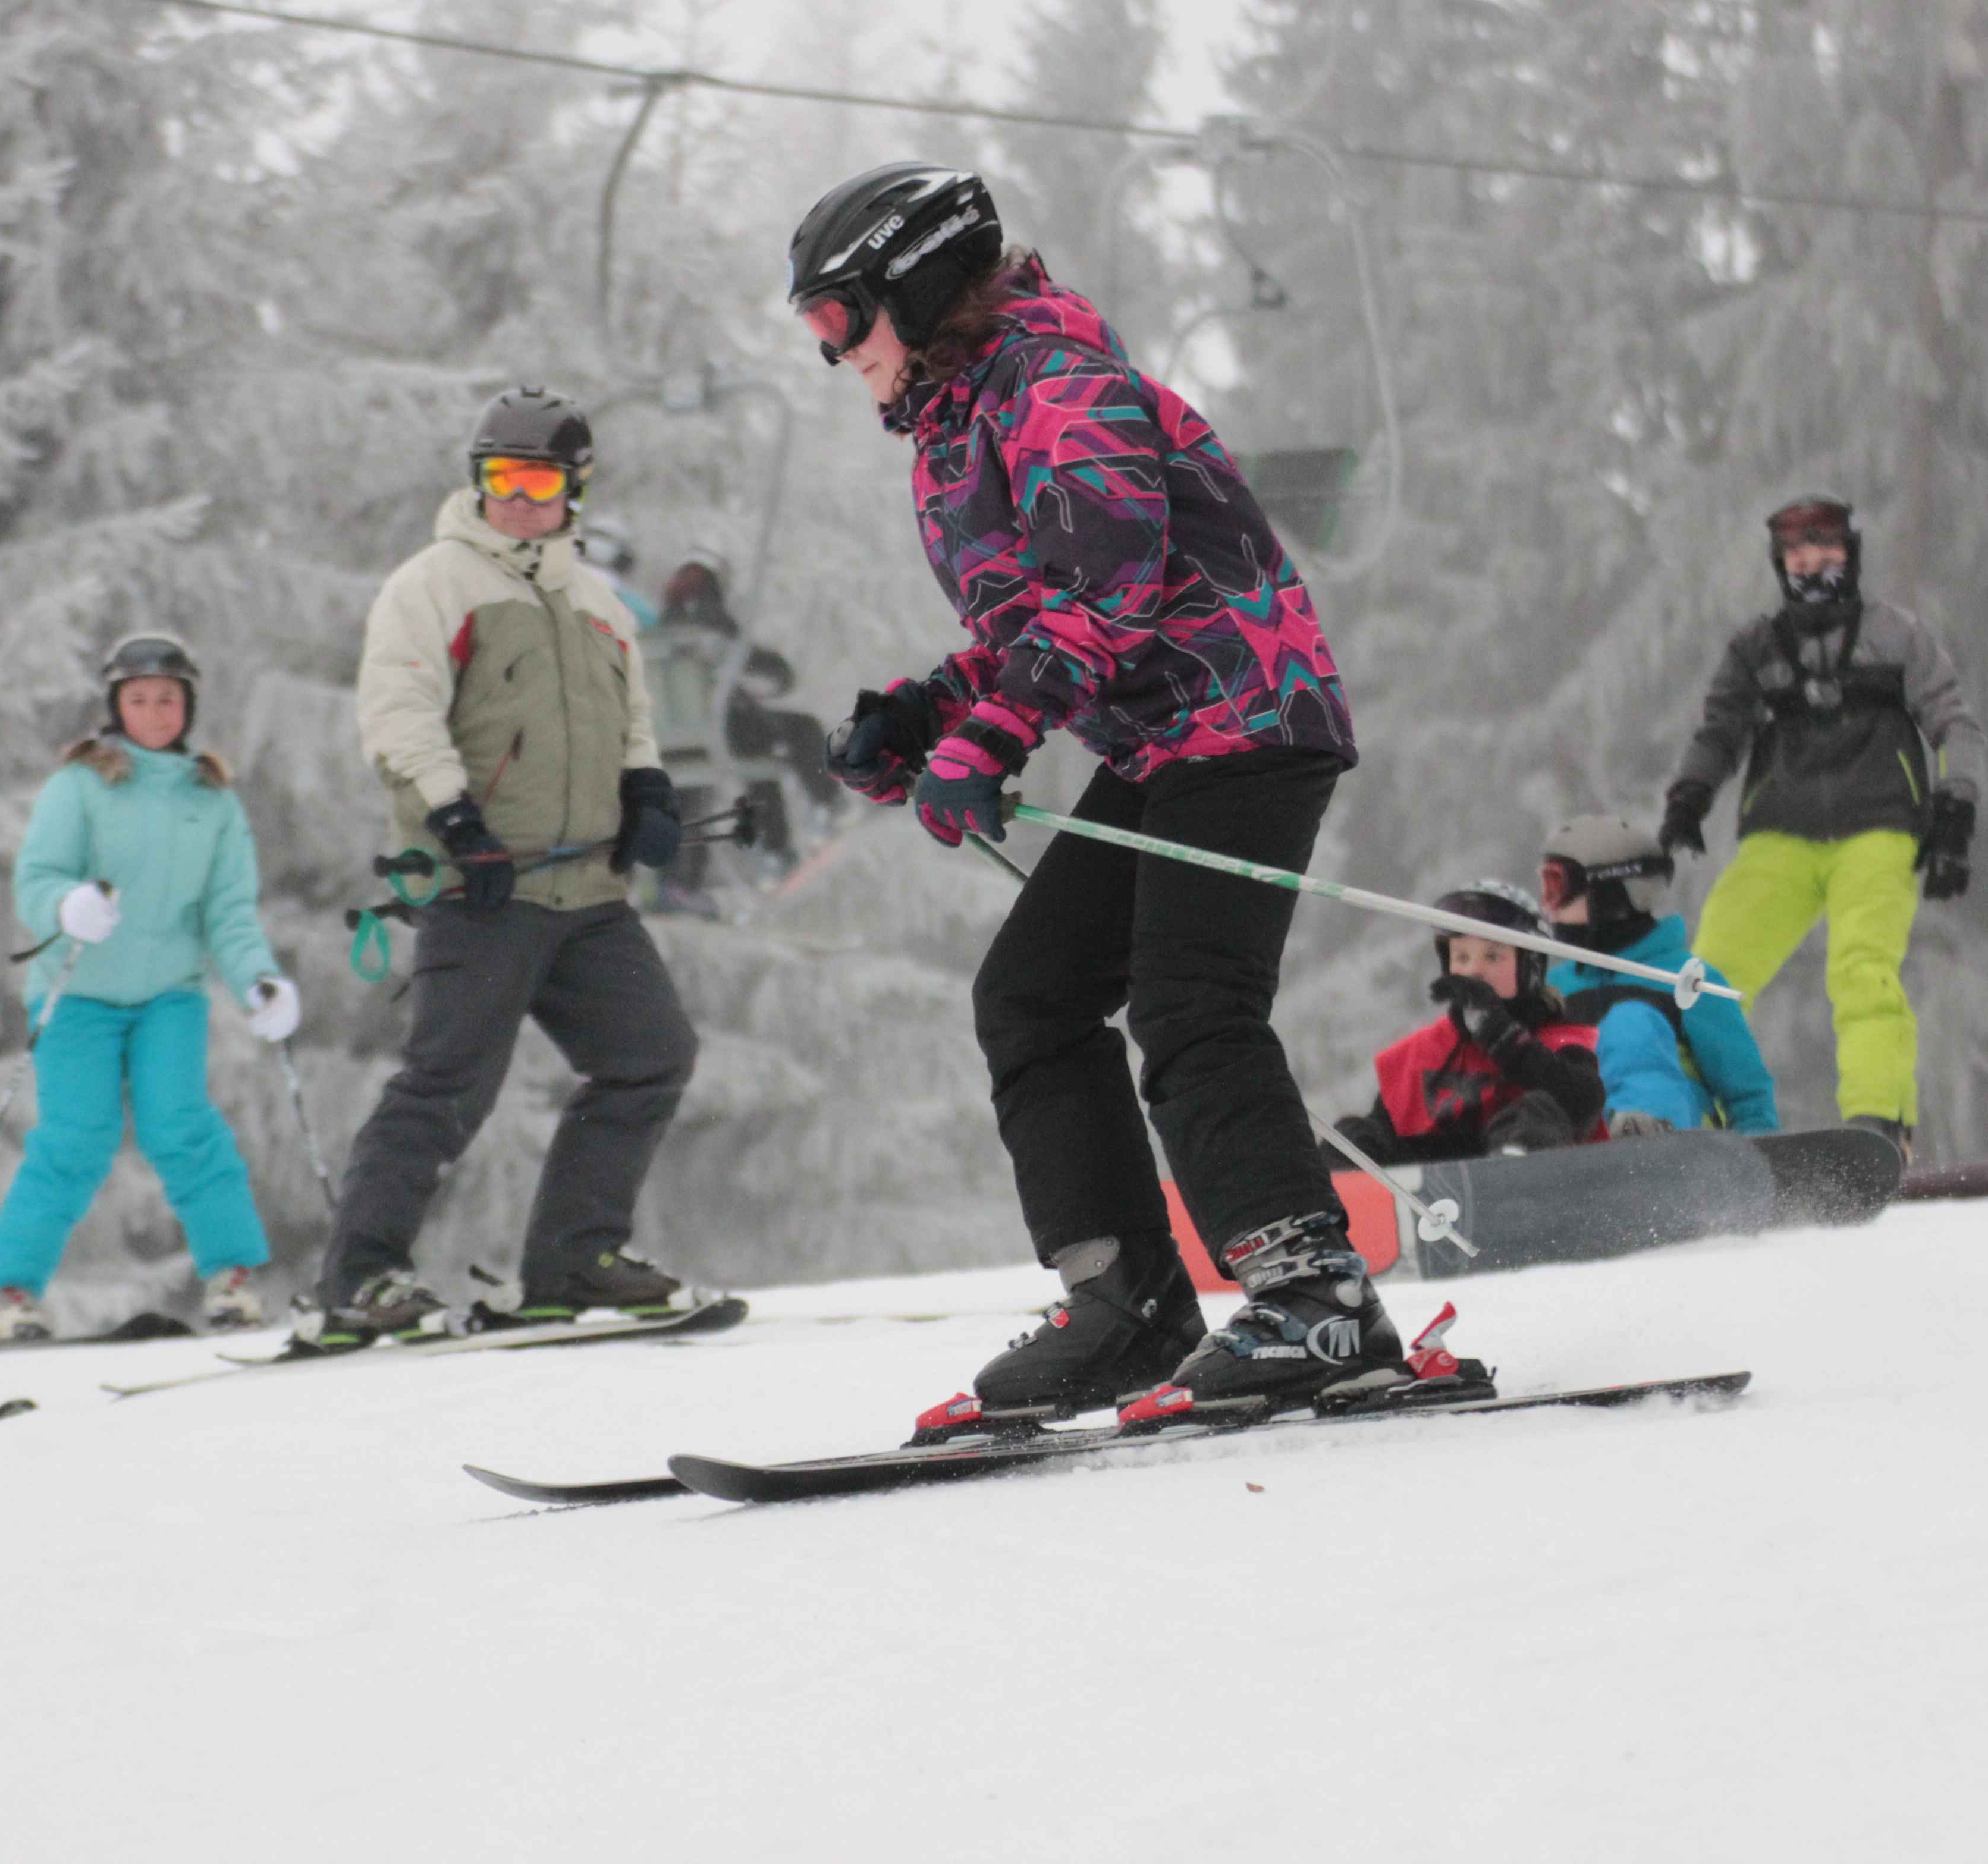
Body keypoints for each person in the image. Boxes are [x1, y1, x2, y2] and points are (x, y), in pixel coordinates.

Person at [795, 160, 1396, 1420]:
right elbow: (1033, 618)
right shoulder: (960, 420)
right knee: (1030, 995)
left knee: (1189, 1006)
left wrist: (992, 740)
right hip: (1163, 743)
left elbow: (1105, 595)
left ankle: (1316, 1297)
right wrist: (929, 715)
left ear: (916, 284)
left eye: (840, 316)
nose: (832, 351)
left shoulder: (1058, 387)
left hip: (1244, 717)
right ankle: (1129, 1303)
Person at [290, 387, 698, 1345]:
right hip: (483, 885)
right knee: (448, 1083)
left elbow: (632, 719)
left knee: (649, 1056)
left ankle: (573, 1260)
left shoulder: (596, 602)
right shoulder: (433, 585)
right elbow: (398, 715)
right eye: (501, 478)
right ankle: (362, 1278)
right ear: (477, 481)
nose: (517, 499)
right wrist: (454, 819)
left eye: (538, 482)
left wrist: (647, 791)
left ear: (574, 491)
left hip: (587, 889)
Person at [0, 634, 299, 1344]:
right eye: (139, 699)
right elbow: (38, 879)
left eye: (168, 700)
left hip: (168, 994)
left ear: (189, 706)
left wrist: (259, 980)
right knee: (75, 1140)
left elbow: (228, 912)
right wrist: (68, 906)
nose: (154, 713)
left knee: (181, 1127)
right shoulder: (80, 784)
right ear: (116, 707)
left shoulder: (212, 799)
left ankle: (233, 1278)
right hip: (78, 992)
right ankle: (7, 1294)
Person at [1658, 499, 1986, 1151]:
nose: (1813, 565)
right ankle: (1687, 1118)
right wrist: (1689, 798)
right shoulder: (1757, 649)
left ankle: (1877, 1125)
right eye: (1798, 556)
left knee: (1863, 970)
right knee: (1709, 975)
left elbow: (1952, 721)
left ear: (1851, 557)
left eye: (1827, 551)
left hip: (1879, 827)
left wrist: (1955, 811)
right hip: (1781, 833)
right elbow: (1721, 731)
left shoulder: (1896, 636)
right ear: (1781, 565)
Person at [1334, 883, 1607, 1165]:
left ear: (1531, 966)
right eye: (1462, 958)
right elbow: (1383, 1133)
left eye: (1492, 956)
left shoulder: (1562, 1042)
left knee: (1536, 1113)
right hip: (1429, 1183)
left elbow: (1584, 1104)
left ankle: (1511, 1170)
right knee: (1351, 1138)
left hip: (1537, 1176)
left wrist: (1506, 1039)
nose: (1474, 971)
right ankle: (1339, 1190)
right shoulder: (1420, 1054)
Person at [1540, 816, 1779, 1136]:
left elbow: (1747, 1097)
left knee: (1631, 1025)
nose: (1549, 907)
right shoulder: (1557, 988)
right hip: (1580, 1144)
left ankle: (1644, 1135)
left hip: (1683, 1145)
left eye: (1558, 887)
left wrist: (1761, 1155)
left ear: (1610, 893)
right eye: (1546, 887)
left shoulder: (1689, 982)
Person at [646, 549, 836, 889]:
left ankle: (681, 880)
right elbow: (755, 662)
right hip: (722, 730)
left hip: (671, 743)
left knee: (753, 752)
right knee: (798, 730)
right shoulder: (708, 619)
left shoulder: (659, 630)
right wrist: (775, 676)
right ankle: (826, 806)